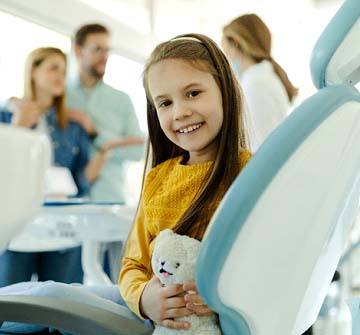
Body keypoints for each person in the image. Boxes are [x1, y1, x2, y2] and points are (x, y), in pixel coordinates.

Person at [0, 33, 251, 333]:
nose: (180, 112)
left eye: (194, 93)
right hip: (148, 308)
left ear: (225, 90)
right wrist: (145, 298)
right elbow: (133, 265)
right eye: (165, 103)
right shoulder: (159, 178)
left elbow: (265, 263)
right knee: (44, 292)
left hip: (184, 323)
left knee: (48, 299)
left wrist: (225, 299)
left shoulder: (251, 173)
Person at [0, 47, 102, 286]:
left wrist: (102, 147)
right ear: (33, 71)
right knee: (9, 307)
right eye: (53, 67)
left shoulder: (73, 126)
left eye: (64, 70)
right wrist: (20, 127)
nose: (61, 76)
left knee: (62, 307)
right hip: (19, 227)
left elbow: (81, 182)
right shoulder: (5, 116)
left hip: (63, 226)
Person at [66, 23, 145, 282]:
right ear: (78, 50)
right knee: (69, 286)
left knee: (116, 285)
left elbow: (138, 149)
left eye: (107, 49)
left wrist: (99, 138)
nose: (104, 56)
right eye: (97, 49)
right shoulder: (60, 96)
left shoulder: (120, 99)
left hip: (110, 203)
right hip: (68, 206)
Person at [222, 13, 298, 152]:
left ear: (235, 44)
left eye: (225, 49)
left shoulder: (255, 83)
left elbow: (260, 143)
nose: (227, 58)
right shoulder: (261, 75)